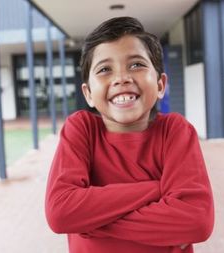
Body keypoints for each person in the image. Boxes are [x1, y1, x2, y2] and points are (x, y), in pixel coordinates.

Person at [44, 16, 214, 253]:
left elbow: (197, 221)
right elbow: (61, 213)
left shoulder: (175, 131)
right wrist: (157, 189)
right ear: (89, 93)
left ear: (160, 85)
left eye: (136, 65)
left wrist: (90, 221)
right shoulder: (81, 129)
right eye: (104, 69)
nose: (121, 78)